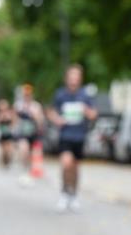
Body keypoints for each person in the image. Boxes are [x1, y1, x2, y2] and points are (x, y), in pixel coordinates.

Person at [47, 64, 97, 211]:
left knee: (75, 168)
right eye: (71, 76)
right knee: (65, 164)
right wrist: (57, 119)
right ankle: (64, 193)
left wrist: (85, 110)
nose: (73, 79)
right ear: (66, 78)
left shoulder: (85, 95)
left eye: (76, 76)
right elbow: (50, 111)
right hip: (65, 136)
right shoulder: (60, 95)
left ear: (80, 79)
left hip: (80, 136)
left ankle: (73, 195)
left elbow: (94, 114)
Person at [14, 83, 45, 178]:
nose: (27, 96)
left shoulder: (36, 106)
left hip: (34, 133)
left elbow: (40, 120)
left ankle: (32, 169)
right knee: (24, 149)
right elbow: (14, 119)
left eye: (28, 94)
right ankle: (25, 169)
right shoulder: (18, 105)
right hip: (23, 133)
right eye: (25, 94)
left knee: (34, 153)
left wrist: (34, 115)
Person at [0, 98, 17, 168]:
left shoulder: (10, 113)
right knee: (3, 150)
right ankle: (4, 162)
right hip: (2, 134)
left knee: (9, 149)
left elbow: (14, 122)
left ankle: (9, 160)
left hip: (9, 133)